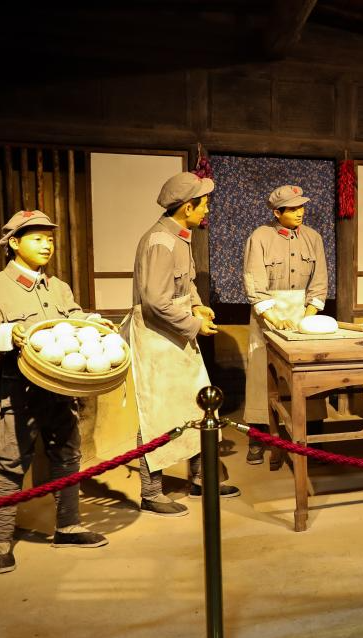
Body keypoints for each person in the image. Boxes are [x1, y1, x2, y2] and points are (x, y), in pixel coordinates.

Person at [0, 210, 110, 573]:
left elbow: (72, 315)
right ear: (14, 243)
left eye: (50, 238)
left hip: (59, 387)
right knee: (10, 462)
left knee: (67, 455)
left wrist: (91, 323)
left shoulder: (58, 286)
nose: (47, 245)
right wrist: (6, 332)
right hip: (17, 389)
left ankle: (68, 527)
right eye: (37, 238)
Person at [127, 171, 240, 517]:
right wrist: (193, 324)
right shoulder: (160, 241)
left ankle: (200, 478)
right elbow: (155, 302)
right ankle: (151, 492)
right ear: (188, 207)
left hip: (175, 332)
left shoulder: (180, 236)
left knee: (197, 405)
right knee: (157, 413)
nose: (207, 209)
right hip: (157, 336)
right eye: (203, 203)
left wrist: (196, 305)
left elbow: (184, 283)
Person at [243, 185, 328, 468]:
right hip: (267, 315)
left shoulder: (313, 238)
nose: (300, 212)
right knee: (261, 375)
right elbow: (254, 281)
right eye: (293, 208)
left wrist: (308, 316)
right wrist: (273, 317)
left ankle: (310, 433)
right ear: (277, 212)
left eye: (301, 207)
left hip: (302, 315)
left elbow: (319, 282)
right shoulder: (260, 237)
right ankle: (258, 437)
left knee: (305, 374)